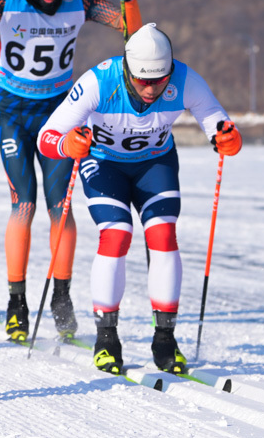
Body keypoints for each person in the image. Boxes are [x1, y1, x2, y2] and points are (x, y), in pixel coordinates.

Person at [0, 0, 139, 342]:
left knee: (61, 206)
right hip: (14, 112)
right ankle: (16, 303)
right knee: (24, 203)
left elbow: (131, 31)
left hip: (59, 112)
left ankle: (61, 297)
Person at [38, 23, 241, 374]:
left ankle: (165, 339)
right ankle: (106, 338)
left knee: (162, 234)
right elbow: (46, 137)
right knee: (116, 234)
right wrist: (67, 144)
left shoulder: (186, 80)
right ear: (127, 70)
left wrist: (228, 139)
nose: (150, 89)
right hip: (104, 164)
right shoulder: (99, 82)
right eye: (142, 80)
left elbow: (220, 126)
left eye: (159, 81)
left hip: (154, 164)